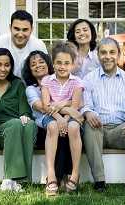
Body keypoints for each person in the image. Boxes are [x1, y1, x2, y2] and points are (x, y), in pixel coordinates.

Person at [82, 37, 125, 192]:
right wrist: (87, 112)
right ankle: (99, 181)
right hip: (97, 129)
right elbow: (84, 104)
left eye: (112, 52)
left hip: (121, 131)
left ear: (118, 54)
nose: (108, 56)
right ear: (98, 55)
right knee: (88, 124)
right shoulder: (89, 79)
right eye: (103, 52)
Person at [22, 50, 83, 196]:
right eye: (33, 64)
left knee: (69, 130)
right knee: (55, 128)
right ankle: (53, 176)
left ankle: (69, 175)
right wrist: (65, 114)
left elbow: (77, 102)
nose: (38, 66)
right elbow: (43, 106)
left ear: (48, 64)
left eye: (41, 62)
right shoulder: (32, 88)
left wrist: (64, 106)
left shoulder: (72, 81)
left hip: (63, 120)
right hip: (45, 123)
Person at [0, 48, 36, 192]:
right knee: (15, 124)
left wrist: (25, 115)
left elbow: (25, 109)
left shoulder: (17, 84)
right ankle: (9, 180)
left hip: (16, 129)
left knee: (29, 125)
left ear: (11, 66)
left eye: (7, 65)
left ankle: (22, 182)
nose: (3, 69)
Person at [41, 42, 83, 195]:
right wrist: (59, 118)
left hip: (69, 117)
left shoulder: (77, 82)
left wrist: (63, 112)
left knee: (74, 127)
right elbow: (46, 106)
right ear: (53, 63)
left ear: (72, 65)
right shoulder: (47, 81)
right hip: (51, 116)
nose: (62, 66)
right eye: (59, 62)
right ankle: (51, 174)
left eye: (66, 63)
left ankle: (75, 173)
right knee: (52, 127)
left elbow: (76, 106)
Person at [0, 10, 47, 79]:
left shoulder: (39, 45)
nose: (20, 34)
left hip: (30, 86)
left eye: (25, 30)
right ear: (10, 28)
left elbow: (48, 74)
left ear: (31, 30)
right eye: (16, 29)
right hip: (1, 86)